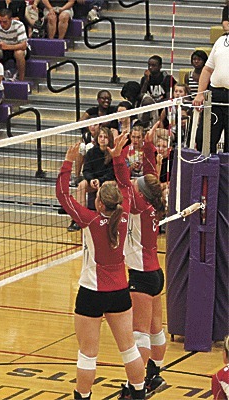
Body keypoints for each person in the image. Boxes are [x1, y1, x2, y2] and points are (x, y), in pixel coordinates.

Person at [56, 140, 145, 400]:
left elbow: (63, 196)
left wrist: (68, 162)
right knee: (129, 349)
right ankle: (139, 394)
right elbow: (127, 185)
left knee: (88, 353)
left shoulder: (90, 219)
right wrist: (118, 158)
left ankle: (83, 396)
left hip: (92, 292)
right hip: (119, 291)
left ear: (99, 203)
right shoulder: (125, 213)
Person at [112, 130, 168, 398]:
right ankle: (155, 375)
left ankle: (137, 385)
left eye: (137, 188)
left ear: (141, 195)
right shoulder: (152, 206)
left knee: (140, 334)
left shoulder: (138, 207)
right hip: (156, 273)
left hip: (142, 277)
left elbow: (124, 183)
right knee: (156, 327)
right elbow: (148, 178)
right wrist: (146, 146)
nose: (133, 187)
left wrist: (117, 158)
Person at [68, 126, 115, 232]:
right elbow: (86, 170)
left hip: (109, 182)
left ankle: (100, 219)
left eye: (105, 137)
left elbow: (112, 173)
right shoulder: (92, 152)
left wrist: (100, 180)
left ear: (109, 139)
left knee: (104, 186)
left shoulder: (112, 153)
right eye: (101, 136)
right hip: (94, 181)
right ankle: (80, 218)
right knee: (81, 185)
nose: (102, 139)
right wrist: (91, 180)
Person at [193, 31, 229, 154]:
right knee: (204, 139)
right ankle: (206, 171)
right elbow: (207, 69)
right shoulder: (220, 41)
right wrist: (200, 94)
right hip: (216, 95)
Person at [0, 8, 29, 81]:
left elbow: (23, 45)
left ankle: (21, 79)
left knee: (19, 53)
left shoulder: (19, 25)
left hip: (16, 47)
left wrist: (7, 47)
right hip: (2, 48)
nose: (2, 24)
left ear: (11, 19)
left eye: (5, 22)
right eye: (0, 21)